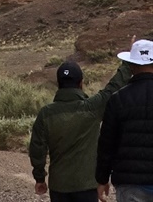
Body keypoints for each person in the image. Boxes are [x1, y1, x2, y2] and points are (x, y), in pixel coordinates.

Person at [29, 52, 132, 201]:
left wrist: (39, 178)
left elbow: (37, 150)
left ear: (58, 84)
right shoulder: (92, 108)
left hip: (59, 186)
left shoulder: (46, 114)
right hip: (87, 186)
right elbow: (114, 87)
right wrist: (128, 62)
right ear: (81, 83)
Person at [96, 38, 153, 202]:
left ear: (131, 65)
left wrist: (101, 179)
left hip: (130, 183)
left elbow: (106, 144)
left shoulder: (118, 99)